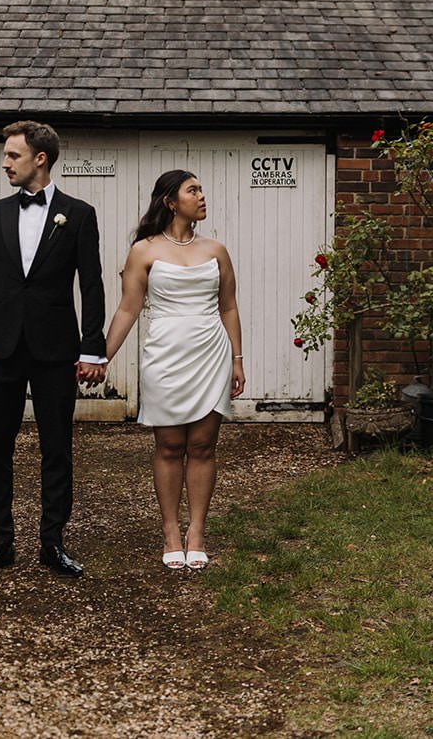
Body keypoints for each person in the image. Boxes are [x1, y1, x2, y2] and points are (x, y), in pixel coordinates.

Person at [0, 120, 108, 579]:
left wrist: (93, 349)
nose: (5, 163)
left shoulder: (79, 214)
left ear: (39, 159)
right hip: (2, 349)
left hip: (55, 349)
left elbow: (92, 285)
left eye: (13, 155)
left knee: (57, 448)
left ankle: (53, 543)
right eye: (5, 155)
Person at [104, 170, 245, 571]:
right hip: (165, 355)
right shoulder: (144, 250)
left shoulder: (216, 250)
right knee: (168, 446)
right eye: (193, 190)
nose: (202, 196)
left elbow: (229, 307)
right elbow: (128, 309)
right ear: (170, 201)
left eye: (201, 189)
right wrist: (102, 356)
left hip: (210, 353)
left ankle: (196, 532)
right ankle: (170, 533)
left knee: (202, 447)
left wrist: (238, 358)